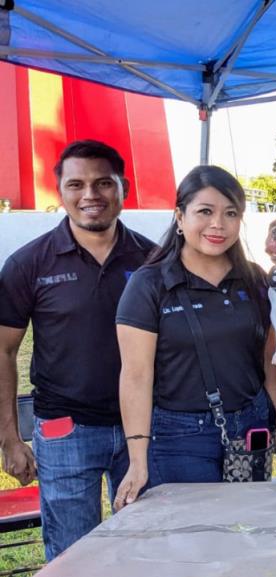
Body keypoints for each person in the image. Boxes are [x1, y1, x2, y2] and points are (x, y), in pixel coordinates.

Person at [0, 140, 156, 559]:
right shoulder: (29, 264)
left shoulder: (152, 261)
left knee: (151, 550)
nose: (91, 195)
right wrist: (10, 439)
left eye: (103, 183)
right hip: (64, 430)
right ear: (60, 192)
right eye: (77, 184)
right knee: (73, 556)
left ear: (123, 186)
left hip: (144, 430)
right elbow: (3, 352)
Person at [113, 166, 276, 509]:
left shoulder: (254, 279)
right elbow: (136, 376)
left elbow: (269, 360)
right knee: (192, 542)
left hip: (250, 426)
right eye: (205, 212)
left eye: (231, 214)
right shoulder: (150, 284)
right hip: (180, 435)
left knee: (248, 526)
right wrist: (138, 461)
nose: (218, 225)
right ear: (180, 217)